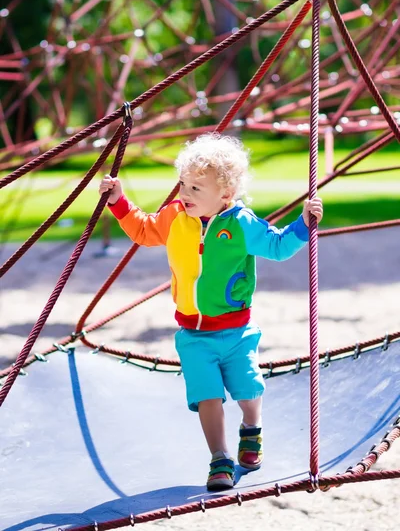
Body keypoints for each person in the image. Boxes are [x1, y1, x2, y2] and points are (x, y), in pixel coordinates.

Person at [99, 133, 323, 491]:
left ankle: (251, 426)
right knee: (207, 396)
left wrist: (302, 225)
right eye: (183, 184)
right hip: (193, 335)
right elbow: (143, 230)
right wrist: (118, 201)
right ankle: (220, 458)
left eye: (196, 188)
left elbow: (277, 247)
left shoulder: (241, 223)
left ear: (225, 195)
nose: (184, 194)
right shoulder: (175, 216)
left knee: (248, 390)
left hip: (236, 332)